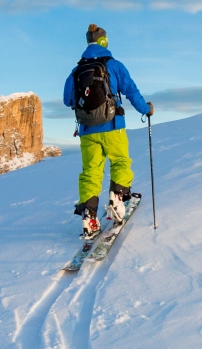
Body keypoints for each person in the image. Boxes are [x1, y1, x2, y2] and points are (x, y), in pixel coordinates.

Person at [62, 24, 153, 238]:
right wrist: (146, 109)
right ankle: (118, 198)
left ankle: (89, 217)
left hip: (87, 130)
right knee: (120, 161)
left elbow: (68, 100)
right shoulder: (114, 65)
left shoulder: (76, 71)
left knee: (91, 172)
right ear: (105, 41)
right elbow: (131, 91)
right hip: (113, 126)